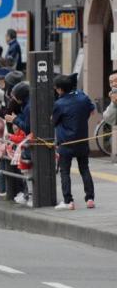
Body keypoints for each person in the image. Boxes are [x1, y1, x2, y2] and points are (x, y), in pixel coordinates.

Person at [52, 75, 96, 210]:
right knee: (84, 169)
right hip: (82, 140)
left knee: (65, 171)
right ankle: (90, 199)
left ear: (60, 90)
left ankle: (68, 201)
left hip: (65, 142)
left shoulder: (59, 104)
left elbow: (53, 121)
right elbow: (93, 111)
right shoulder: (83, 97)